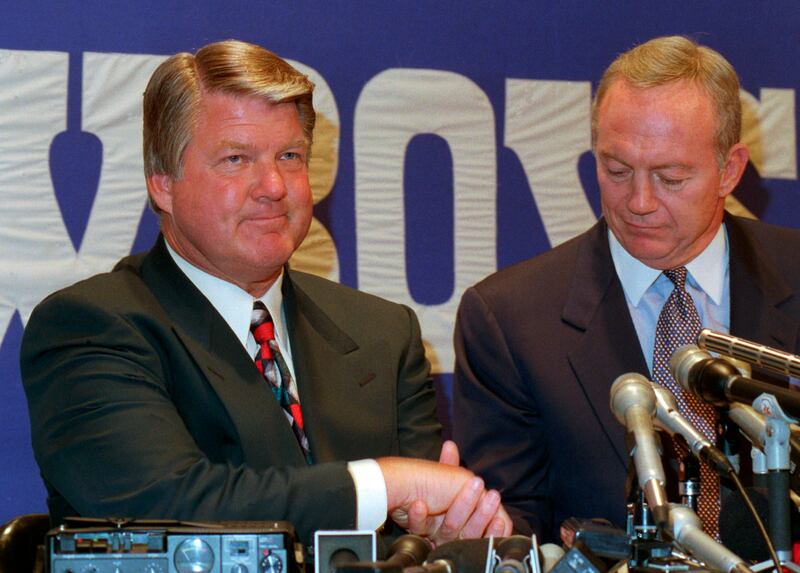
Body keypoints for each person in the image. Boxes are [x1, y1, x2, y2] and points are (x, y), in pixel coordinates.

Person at [21, 39, 511, 548]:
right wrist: (383, 485)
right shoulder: (90, 326)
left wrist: (440, 529)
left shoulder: (384, 334)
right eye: (236, 159)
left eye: (290, 156)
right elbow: (165, 508)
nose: (274, 185)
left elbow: (424, 524)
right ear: (163, 182)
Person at [452, 35, 800, 543]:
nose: (638, 201)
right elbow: (512, 527)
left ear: (730, 169)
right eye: (616, 170)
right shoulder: (508, 319)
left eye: (670, 177)